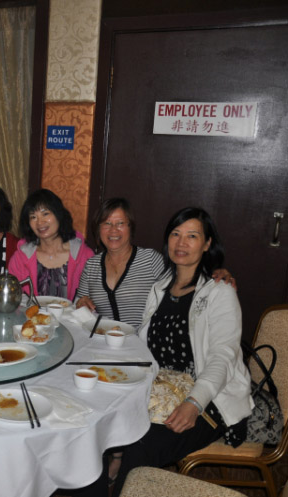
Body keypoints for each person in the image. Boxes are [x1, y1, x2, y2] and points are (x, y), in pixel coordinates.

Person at [109, 207, 253, 496]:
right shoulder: (160, 288)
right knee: (101, 425)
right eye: (176, 234)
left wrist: (193, 403)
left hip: (208, 399)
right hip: (161, 390)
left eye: (192, 236)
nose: (182, 243)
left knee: (140, 445)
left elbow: (223, 356)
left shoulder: (219, 292)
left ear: (207, 243)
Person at [75, 198, 235, 328]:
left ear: (131, 227)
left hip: (143, 346)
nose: (113, 230)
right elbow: (79, 303)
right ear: (98, 229)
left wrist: (215, 271)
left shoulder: (150, 259)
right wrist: (80, 303)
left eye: (120, 223)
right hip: (104, 343)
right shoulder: (92, 265)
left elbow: (183, 279)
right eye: (107, 223)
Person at [7, 188, 93, 301]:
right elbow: (13, 298)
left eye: (45, 214)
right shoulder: (19, 258)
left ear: (59, 215)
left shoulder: (85, 256)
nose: (40, 222)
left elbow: (94, 299)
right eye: (33, 217)